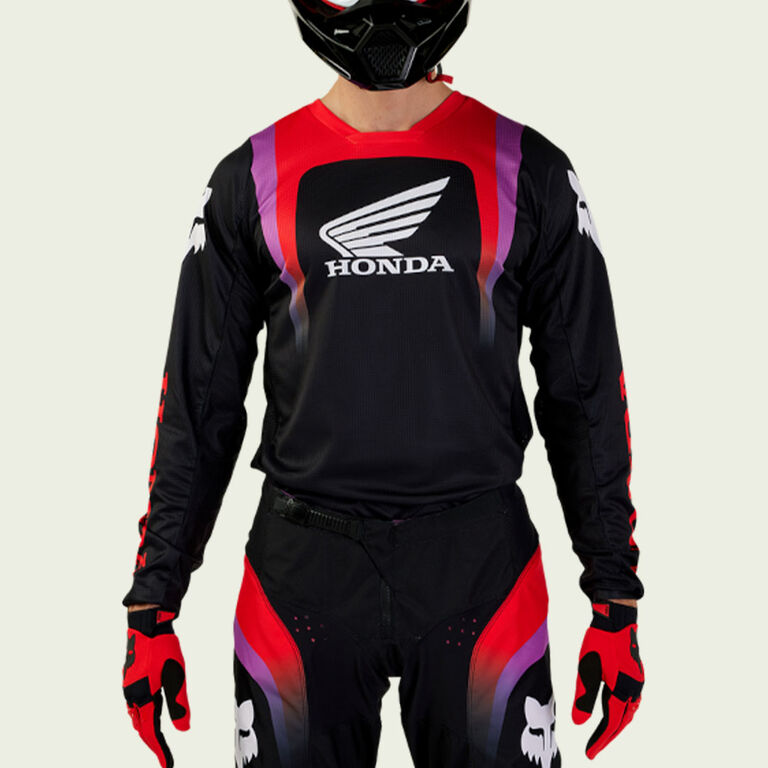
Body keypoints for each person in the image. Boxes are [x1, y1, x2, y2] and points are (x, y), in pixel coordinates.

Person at [121, 2, 645, 766]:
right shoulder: (249, 178)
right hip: (304, 573)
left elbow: (584, 389)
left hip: (477, 566)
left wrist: (614, 591)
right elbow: (199, 402)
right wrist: (153, 598)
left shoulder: (529, 169)